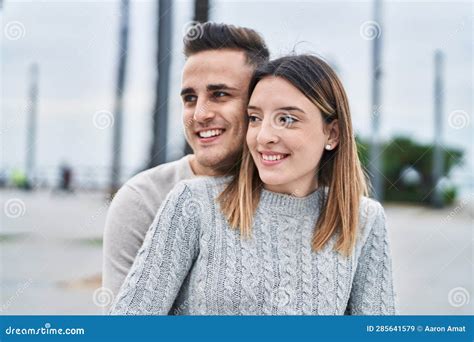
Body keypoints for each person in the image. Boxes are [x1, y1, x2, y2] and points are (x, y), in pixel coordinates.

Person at [109, 54, 397, 315]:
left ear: (332, 133)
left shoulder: (364, 220)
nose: (263, 136)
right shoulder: (193, 203)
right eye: (255, 118)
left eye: (286, 119)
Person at [102, 23, 270, 302]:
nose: (199, 114)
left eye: (220, 95)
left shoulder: (292, 191)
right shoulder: (142, 200)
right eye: (190, 98)